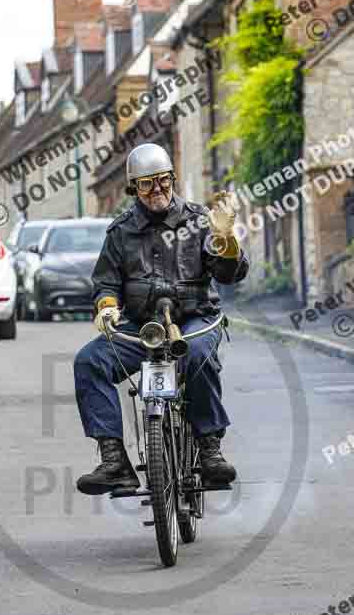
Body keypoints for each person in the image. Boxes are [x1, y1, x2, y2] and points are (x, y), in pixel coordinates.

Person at [74, 143, 249, 495]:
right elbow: (105, 281)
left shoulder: (200, 222)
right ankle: (114, 463)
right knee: (89, 361)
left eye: (163, 181)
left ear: (172, 179)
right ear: (133, 189)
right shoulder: (120, 232)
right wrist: (107, 306)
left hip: (194, 318)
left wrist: (226, 240)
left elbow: (231, 275)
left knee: (198, 355)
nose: (157, 190)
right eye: (147, 184)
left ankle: (209, 450)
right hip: (143, 328)